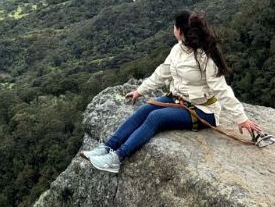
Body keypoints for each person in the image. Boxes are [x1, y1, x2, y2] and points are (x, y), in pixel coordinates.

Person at [84, 10, 263, 174]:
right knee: (145, 109)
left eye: (175, 27)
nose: (173, 29)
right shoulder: (177, 49)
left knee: (156, 117)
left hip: (203, 110)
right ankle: (107, 147)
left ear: (180, 31)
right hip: (178, 100)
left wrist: (241, 118)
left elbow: (221, 89)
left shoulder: (205, 57)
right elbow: (162, 73)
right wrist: (140, 90)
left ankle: (117, 158)